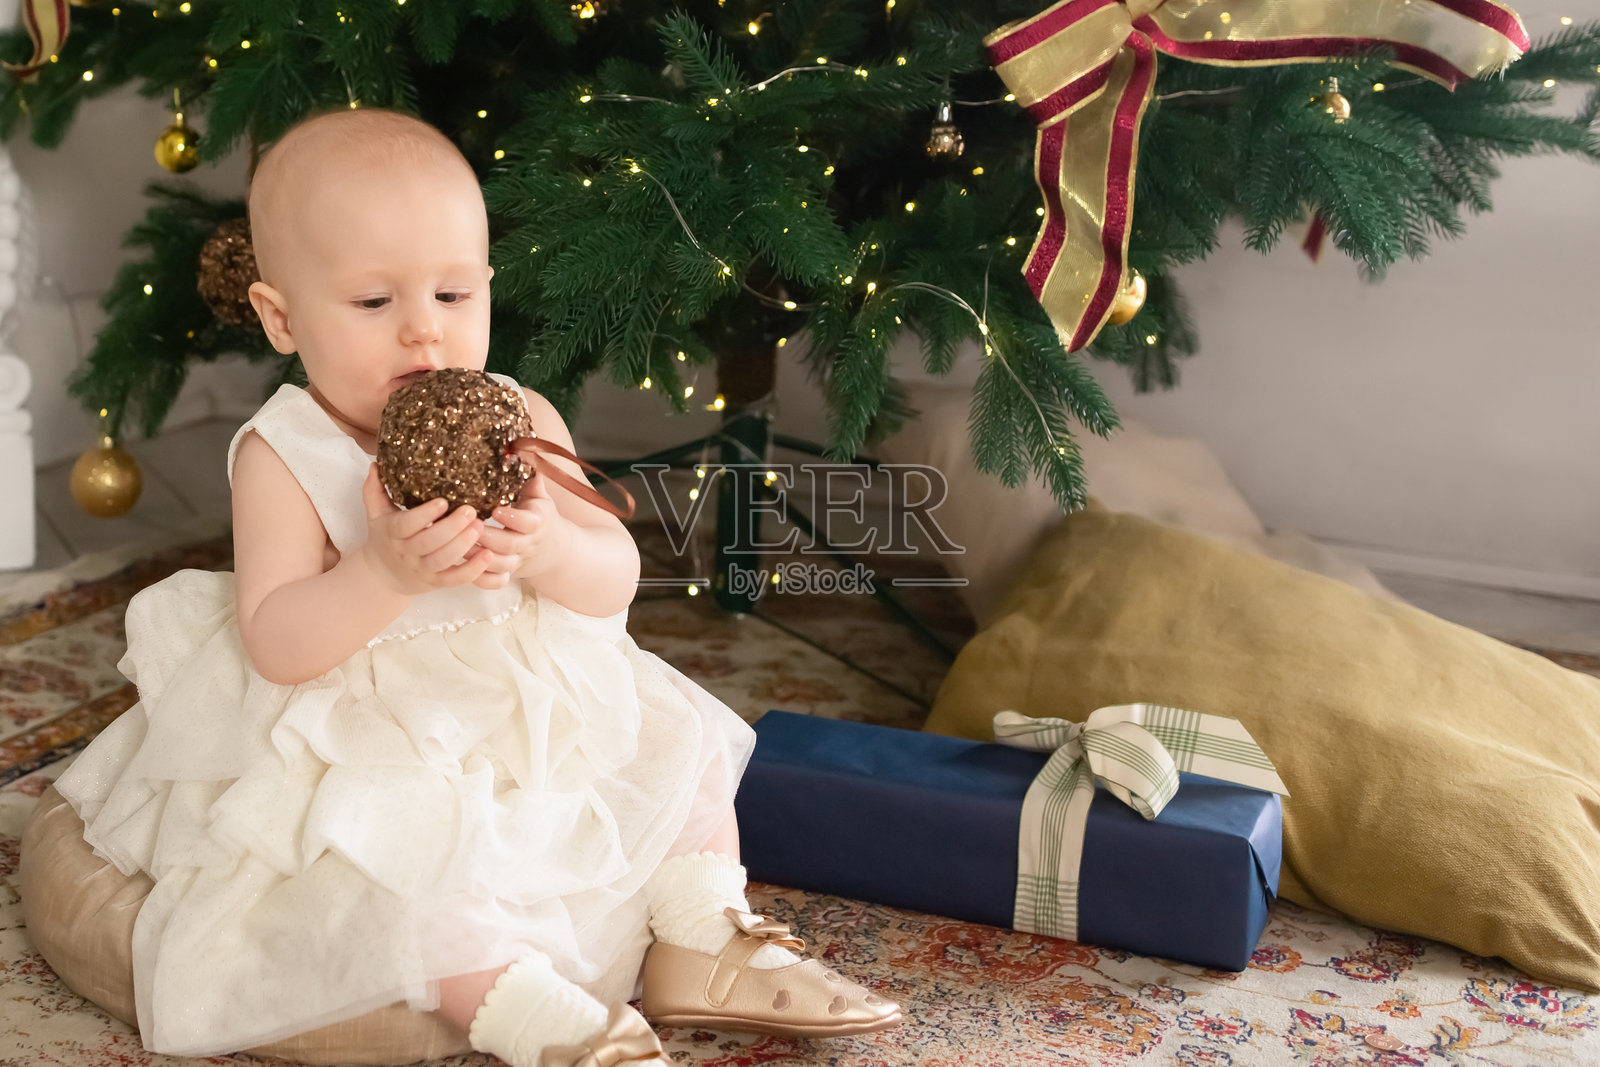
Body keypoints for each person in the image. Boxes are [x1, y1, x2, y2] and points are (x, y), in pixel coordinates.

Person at [52, 107, 900, 1067]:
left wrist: (551, 553)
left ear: (488, 288)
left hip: (527, 698)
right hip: (377, 728)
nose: (424, 331)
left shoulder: (520, 414)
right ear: (282, 317)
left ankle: (701, 935)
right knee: (402, 864)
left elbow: (615, 574)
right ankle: (517, 1005)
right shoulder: (284, 456)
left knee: (682, 740)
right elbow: (277, 641)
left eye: (454, 294)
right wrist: (380, 570)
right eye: (373, 304)